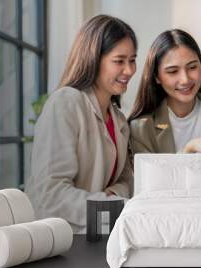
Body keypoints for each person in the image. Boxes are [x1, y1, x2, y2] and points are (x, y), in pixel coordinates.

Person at [25, 15, 137, 233]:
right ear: (93, 60)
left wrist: (112, 196)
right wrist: (113, 207)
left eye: (132, 60)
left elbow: (125, 180)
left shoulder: (118, 118)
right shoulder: (65, 103)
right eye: (119, 61)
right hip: (61, 239)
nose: (130, 70)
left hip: (98, 235)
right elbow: (51, 193)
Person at [128, 29, 201, 154]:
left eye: (192, 67)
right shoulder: (141, 129)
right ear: (157, 77)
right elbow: (151, 174)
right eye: (173, 71)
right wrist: (188, 150)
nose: (185, 80)